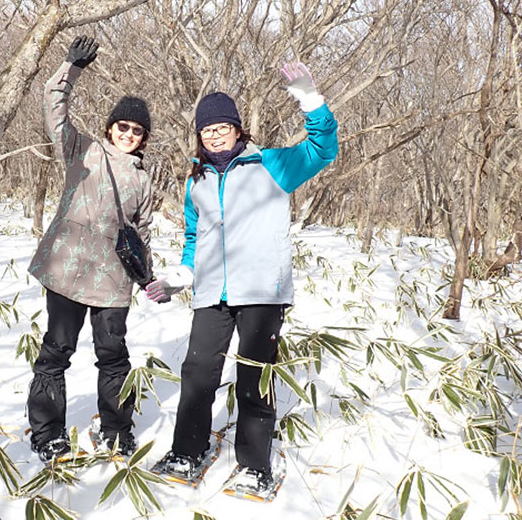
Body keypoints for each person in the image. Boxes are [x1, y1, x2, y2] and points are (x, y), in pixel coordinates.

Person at [145, 62, 338, 491]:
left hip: (262, 292)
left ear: (236, 129)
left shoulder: (270, 165)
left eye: (220, 127)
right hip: (212, 292)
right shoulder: (197, 180)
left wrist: (310, 99)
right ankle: (188, 450)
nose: (213, 135)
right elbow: (196, 236)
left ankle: (254, 464)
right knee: (197, 373)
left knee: (255, 378)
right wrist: (183, 272)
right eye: (205, 130)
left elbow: (323, 149)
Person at [26, 36, 154, 463]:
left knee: (114, 356)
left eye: (137, 131)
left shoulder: (143, 176)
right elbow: (53, 108)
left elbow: (142, 230)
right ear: (110, 127)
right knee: (56, 352)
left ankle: (117, 431)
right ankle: (47, 434)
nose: (129, 135)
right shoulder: (82, 150)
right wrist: (70, 69)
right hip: (68, 270)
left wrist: (148, 276)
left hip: (114, 280)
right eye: (123, 127)